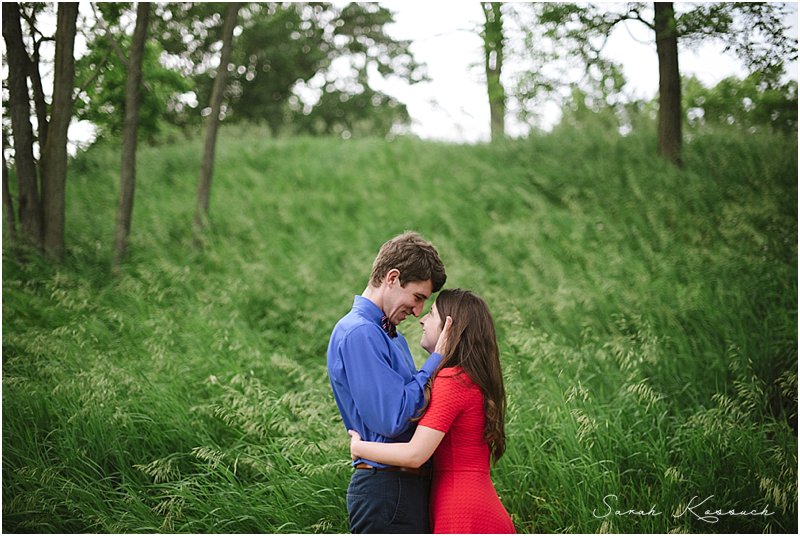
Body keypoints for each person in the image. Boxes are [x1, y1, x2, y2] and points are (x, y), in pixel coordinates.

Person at [348, 288, 515, 534]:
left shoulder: (453, 381)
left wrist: (359, 448)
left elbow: (416, 454)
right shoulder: (467, 378)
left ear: (451, 328)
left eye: (432, 313)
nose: (422, 319)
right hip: (474, 506)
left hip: (463, 513)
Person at [327, 231, 447, 533]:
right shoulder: (360, 333)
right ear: (392, 278)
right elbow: (393, 418)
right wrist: (437, 360)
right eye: (417, 297)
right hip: (385, 491)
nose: (418, 311)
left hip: (401, 487)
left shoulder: (387, 334)